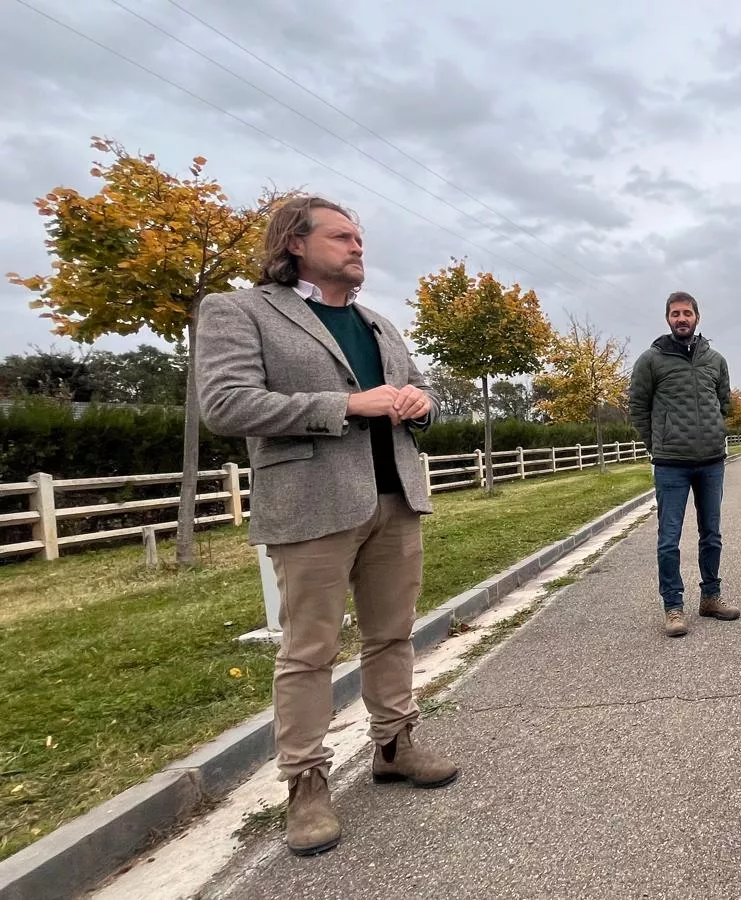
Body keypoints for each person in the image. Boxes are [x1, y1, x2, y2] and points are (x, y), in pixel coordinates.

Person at [195, 196, 457, 859]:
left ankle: (394, 745)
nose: (358, 246)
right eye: (342, 236)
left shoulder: (378, 324)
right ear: (293, 244)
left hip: (395, 498)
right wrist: (343, 405)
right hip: (311, 507)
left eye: (360, 237)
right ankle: (305, 783)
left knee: (393, 634)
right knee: (309, 651)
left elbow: (417, 393)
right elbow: (226, 404)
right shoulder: (240, 311)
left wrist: (421, 404)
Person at [627, 291, 736, 637]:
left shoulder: (715, 360)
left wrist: (714, 431)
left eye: (687, 313)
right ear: (667, 319)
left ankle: (711, 597)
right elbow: (637, 409)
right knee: (668, 539)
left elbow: (725, 404)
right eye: (675, 314)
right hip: (671, 464)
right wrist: (657, 442)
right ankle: (673, 607)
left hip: (711, 462)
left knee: (712, 535)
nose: (681, 319)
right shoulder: (651, 360)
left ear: (697, 318)